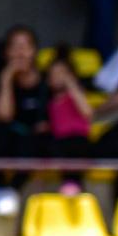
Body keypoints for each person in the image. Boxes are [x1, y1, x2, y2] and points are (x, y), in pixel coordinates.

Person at [0, 25, 51, 216]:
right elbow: (4, 115)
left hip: (38, 142)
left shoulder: (47, 80)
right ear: (6, 52)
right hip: (12, 137)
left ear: (34, 51)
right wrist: (6, 79)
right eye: (15, 46)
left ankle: (11, 190)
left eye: (25, 46)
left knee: (35, 143)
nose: (20, 52)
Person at [42, 50, 97, 196]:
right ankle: (69, 184)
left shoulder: (75, 95)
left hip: (78, 139)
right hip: (59, 141)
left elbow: (88, 113)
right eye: (54, 74)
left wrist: (72, 85)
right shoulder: (49, 101)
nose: (58, 77)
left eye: (62, 73)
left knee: (76, 148)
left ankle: (74, 183)